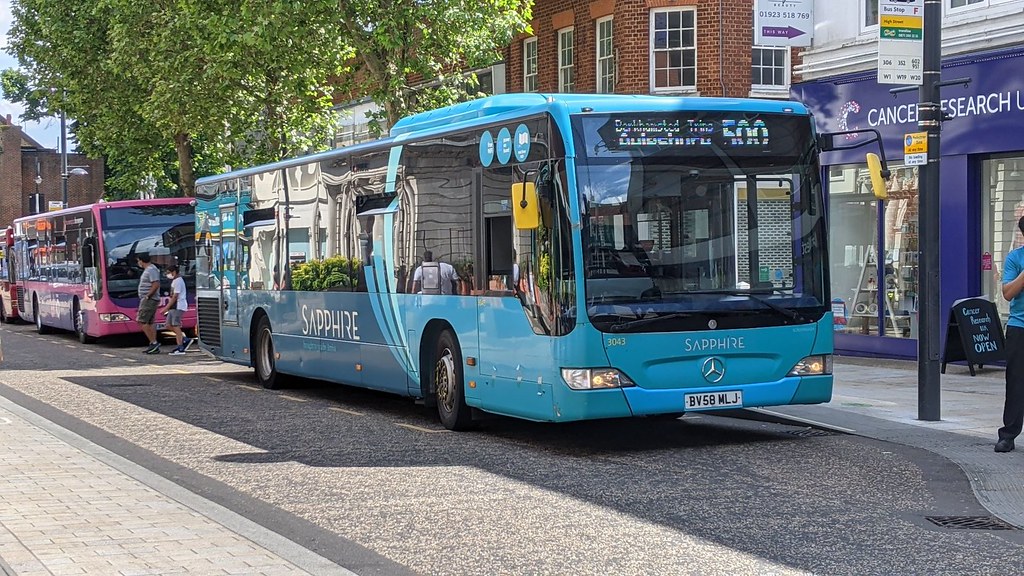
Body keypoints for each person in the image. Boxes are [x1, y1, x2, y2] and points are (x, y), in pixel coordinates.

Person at [997, 215, 1024, 453]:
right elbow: (1007, 293)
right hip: (1019, 328)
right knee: (1016, 382)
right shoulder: (1015, 258)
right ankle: (1008, 435)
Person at [160, 264, 193, 355]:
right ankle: (184, 340)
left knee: (175, 326)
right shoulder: (175, 281)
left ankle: (180, 347)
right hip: (173, 307)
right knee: (168, 325)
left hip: (178, 306)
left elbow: (175, 296)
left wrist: (165, 308)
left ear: (174, 272)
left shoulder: (178, 281)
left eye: (168, 273)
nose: (168, 275)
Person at [136, 253, 162, 354]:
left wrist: (147, 296)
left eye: (138, 261)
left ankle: (154, 342)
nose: (138, 263)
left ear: (142, 260)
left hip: (149, 299)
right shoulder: (149, 270)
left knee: (142, 320)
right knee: (150, 322)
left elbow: (156, 284)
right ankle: (153, 345)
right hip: (148, 298)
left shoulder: (151, 270)